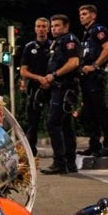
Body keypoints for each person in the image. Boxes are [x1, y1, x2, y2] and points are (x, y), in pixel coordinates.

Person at [41, 13, 81, 175]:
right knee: (65, 126)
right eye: (52, 26)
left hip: (65, 87)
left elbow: (74, 62)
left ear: (66, 26)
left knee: (53, 123)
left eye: (57, 25)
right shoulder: (58, 42)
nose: (53, 29)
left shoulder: (69, 40)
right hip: (59, 87)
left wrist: (54, 75)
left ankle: (60, 162)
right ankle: (69, 163)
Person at [76, 4, 108, 157]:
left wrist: (95, 65)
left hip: (96, 77)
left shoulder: (98, 29)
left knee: (101, 111)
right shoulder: (87, 33)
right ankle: (94, 145)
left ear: (93, 15)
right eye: (80, 14)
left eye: (85, 14)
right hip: (86, 78)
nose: (82, 16)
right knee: (89, 112)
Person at [17, 17, 51, 158]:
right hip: (34, 88)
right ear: (35, 28)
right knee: (32, 122)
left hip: (52, 86)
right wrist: (38, 78)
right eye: (38, 26)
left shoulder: (54, 45)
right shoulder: (29, 47)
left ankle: (61, 153)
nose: (41, 29)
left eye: (44, 26)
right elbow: (23, 70)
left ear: (48, 29)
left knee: (54, 121)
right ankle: (31, 153)